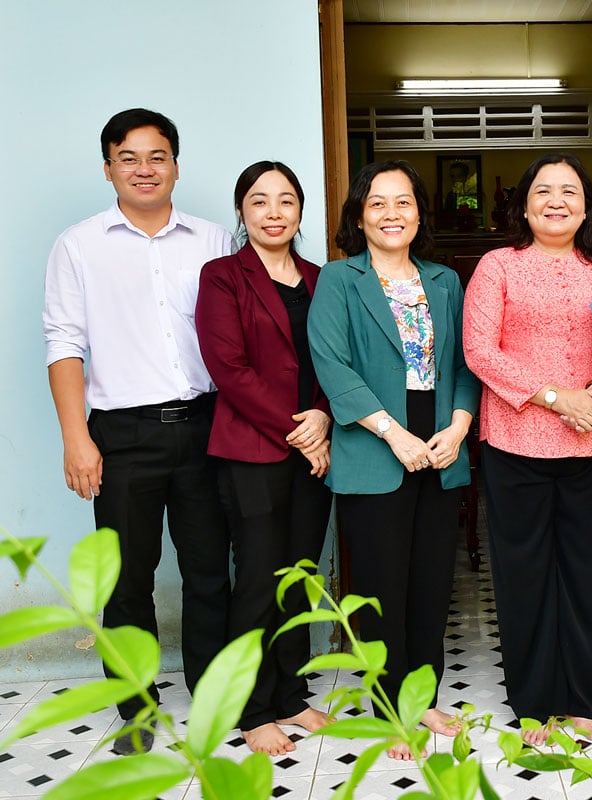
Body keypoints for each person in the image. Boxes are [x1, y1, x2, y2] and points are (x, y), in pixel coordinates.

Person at [42, 108, 233, 754]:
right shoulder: (78, 245)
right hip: (122, 434)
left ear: (176, 165)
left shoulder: (212, 240)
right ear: (108, 169)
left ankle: (211, 692)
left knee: (209, 570)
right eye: (129, 158)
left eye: (157, 157)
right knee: (128, 581)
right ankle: (137, 709)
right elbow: (64, 342)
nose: (144, 169)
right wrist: (77, 437)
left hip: (206, 425)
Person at [307, 160, 480, 761]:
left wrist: (458, 427)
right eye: (377, 203)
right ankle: (390, 711)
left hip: (440, 445)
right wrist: (393, 433)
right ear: (359, 216)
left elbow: (464, 363)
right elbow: (333, 365)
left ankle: (423, 698)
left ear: (419, 213)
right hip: (375, 446)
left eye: (403, 202)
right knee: (382, 587)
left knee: (431, 582)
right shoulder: (339, 278)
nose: (391, 214)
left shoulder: (444, 281)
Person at [461, 153, 592, 745]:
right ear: (524, 205)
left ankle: (586, 698)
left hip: (589, 443)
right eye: (543, 190)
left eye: (569, 191)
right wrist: (559, 399)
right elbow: (480, 351)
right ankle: (534, 702)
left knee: (588, 574)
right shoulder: (498, 266)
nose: (556, 201)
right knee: (524, 576)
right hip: (516, 444)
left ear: (586, 207)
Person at [195, 161, 333, 756]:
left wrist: (323, 417)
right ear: (242, 211)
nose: (273, 212)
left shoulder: (321, 278)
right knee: (257, 578)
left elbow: (336, 361)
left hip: (316, 447)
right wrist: (300, 431)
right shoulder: (223, 276)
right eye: (259, 201)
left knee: (299, 575)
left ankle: (291, 696)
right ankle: (252, 710)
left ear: (300, 210)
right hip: (253, 450)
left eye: (285, 201)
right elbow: (228, 369)